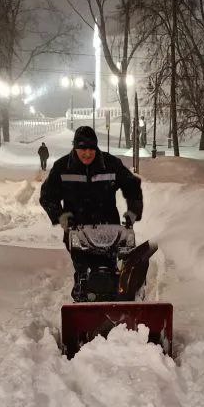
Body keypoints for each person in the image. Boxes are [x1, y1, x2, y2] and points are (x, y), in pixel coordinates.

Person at [40, 125, 143, 299]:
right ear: (75, 147)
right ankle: (83, 299)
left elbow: (132, 186)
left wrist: (133, 212)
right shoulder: (62, 167)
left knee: (110, 272)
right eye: (82, 149)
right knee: (84, 273)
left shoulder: (111, 164)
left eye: (91, 149)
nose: (87, 153)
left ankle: (113, 302)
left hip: (109, 229)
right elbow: (47, 196)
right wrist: (61, 216)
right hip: (77, 230)